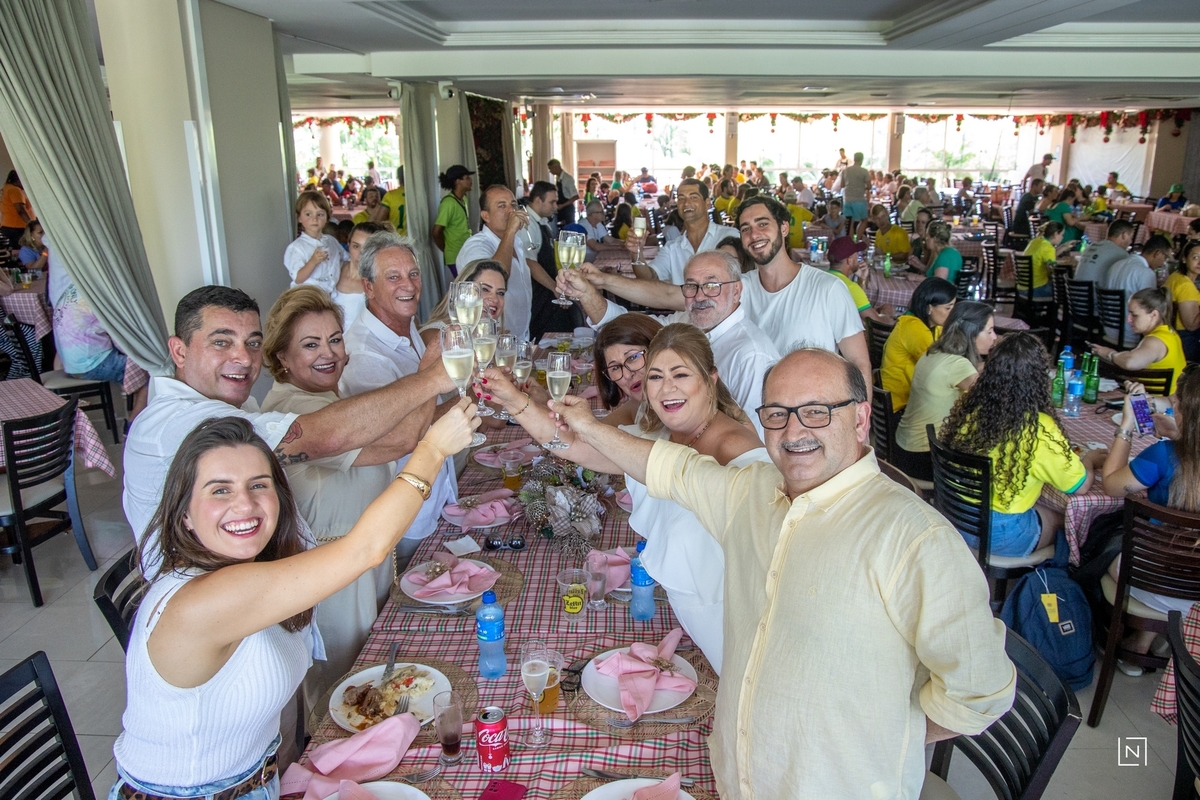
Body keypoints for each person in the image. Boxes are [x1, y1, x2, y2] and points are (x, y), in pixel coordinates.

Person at [546, 345, 1014, 797]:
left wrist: (887, 736)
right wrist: (586, 425)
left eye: (817, 411)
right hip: (738, 778)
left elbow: (980, 691)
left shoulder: (916, 539)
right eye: (777, 414)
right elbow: (666, 466)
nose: (794, 431)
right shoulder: (751, 492)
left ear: (860, 419)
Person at [109, 403, 477, 800]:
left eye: (258, 485)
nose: (245, 504)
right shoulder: (208, 598)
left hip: (258, 779)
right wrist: (433, 450)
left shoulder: (250, 569)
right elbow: (365, 549)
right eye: (220, 490)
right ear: (184, 514)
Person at [487, 323, 768, 674]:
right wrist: (514, 401)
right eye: (656, 377)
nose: (667, 388)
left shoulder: (737, 448)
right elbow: (571, 445)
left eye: (680, 374)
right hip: (691, 608)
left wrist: (589, 426)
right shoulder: (661, 433)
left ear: (710, 378)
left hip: (733, 616)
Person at [123, 285, 456, 553]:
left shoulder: (242, 406)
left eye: (252, 343)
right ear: (179, 351)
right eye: (221, 342)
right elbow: (331, 436)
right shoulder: (178, 421)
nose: (243, 357)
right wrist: (432, 376)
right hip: (212, 603)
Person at [260, 286, 432, 705]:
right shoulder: (293, 410)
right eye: (311, 344)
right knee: (343, 694)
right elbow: (401, 439)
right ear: (282, 356)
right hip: (332, 581)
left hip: (364, 565)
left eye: (335, 339)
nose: (329, 353)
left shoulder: (329, 398)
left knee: (376, 686)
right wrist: (434, 369)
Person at [339, 231, 460, 569]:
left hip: (435, 498)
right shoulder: (363, 354)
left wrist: (475, 397)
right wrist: (431, 371)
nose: (408, 285)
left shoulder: (406, 327)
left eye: (413, 273)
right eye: (393, 277)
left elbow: (428, 412)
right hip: (404, 516)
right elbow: (403, 435)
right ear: (368, 287)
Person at [562, 250, 779, 434]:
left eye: (712, 285)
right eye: (691, 286)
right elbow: (628, 331)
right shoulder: (687, 321)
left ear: (736, 290)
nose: (700, 296)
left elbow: (757, 444)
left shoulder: (752, 355)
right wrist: (586, 294)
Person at [942, 332, 1105, 557]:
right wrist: (1090, 460)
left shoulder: (971, 410)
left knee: (1042, 507)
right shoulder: (1038, 429)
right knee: (1071, 522)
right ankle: (1057, 577)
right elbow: (1080, 486)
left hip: (956, 517)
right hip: (1000, 534)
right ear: (1039, 379)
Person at [1100, 368, 1200, 665]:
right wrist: (1180, 433)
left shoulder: (1164, 455)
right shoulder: (1172, 451)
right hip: (1196, 593)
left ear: (1183, 411)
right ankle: (1144, 641)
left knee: (1099, 544)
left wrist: (1128, 424)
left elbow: (1111, 484)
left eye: (1175, 404)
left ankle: (1108, 633)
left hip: (1152, 578)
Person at [44, 232, 149, 421]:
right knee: (152, 369)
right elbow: (122, 337)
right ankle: (134, 422)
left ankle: (130, 403)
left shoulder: (72, 291)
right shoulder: (97, 298)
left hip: (70, 362)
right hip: (89, 365)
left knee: (135, 363)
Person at [893, 302, 996, 481]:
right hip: (924, 457)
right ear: (971, 333)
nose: (995, 337)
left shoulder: (935, 352)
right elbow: (993, 399)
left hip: (904, 448)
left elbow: (970, 371)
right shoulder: (959, 366)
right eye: (989, 331)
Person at [455, 185, 533, 340]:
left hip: (520, 336)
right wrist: (510, 231)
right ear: (486, 216)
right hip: (491, 339)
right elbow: (499, 275)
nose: (511, 211)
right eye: (502, 206)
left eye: (513, 204)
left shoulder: (516, 242)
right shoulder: (476, 245)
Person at [627, 178, 737, 284]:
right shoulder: (672, 248)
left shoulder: (730, 236)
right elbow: (648, 278)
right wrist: (636, 252)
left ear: (707, 203)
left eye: (694, 197)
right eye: (681, 198)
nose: (686, 203)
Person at [1089, 287, 1186, 396]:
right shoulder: (1170, 333)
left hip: (1157, 403)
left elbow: (1130, 362)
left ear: (1154, 315)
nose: (1128, 319)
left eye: (1134, 315)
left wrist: (1110, 354)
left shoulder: (1156, 340)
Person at [880, 277, 958, 411]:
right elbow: (937, 368)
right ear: (929, 308)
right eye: (948, 308)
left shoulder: (935, 327)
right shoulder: (913, 327)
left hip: (914, 399)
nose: (953, 313)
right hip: (901, 405)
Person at [525, 180, 583, 339]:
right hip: (539, 295)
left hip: (549, 291)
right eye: (552, 202)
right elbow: (530, 262)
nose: (556, 206)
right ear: (538, 200)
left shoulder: (542, 222)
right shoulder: (528, 225)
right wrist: (555, 289)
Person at [1102, 235, 1168, 344]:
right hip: (1130, 333)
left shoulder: (1116, 264)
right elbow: (1151, 307)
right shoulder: (1146, 273)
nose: (1163, 263)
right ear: (1158, 253)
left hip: (1108, 329)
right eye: (1165, 257)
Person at [420, 258, 508, 340]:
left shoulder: (493, 337)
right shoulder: (436, 334)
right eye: (485, 289)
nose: (495, 299)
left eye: (500, 293)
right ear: (462, 291)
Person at [283, 190, 343, 295]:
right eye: (308, 214)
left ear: (327, 217)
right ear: (299, 218)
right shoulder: (297, 247)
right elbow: (298, 278)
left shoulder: (331, 241)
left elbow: (345, 259)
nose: (314, 219)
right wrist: (313, 262)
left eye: (320, 214)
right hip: (307, 297)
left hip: (330, 295)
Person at [825, 235, 894, 325]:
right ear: (850, 261)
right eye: (857, 256)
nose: (859, 258)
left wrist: (862, 279)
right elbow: (876, 323)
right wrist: (886, 315)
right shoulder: (850, 287)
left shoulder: (821, 277)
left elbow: (857, 305)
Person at [331, 221, 383, 326]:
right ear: (348, 244)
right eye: (356, 246)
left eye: (367, 248)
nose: (360, 254)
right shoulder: (333, 268)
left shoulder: (377, 282)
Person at [431, 165, 474, 277]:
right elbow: (436, 232)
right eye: (467, 178)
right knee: (465, 284)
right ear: (458, 181)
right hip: (455, 256)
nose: (470, 181)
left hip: (466, 251)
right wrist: (446, 250)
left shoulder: (463, 199)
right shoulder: (448, 204)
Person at [1164, 241, 1200, 361]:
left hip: (1171, 333)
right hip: (1185, 339)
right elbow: (1191, 325)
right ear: (1184, 259)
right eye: (1195, 258)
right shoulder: (1185, 285)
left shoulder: (1176, 276)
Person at [1075, 219, 1135, 283]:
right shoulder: (1121, 253)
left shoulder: (1091, 246)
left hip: (1075, 288)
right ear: (1124, 235)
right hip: (1097, 289)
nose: (1130, 241)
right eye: (1131, 237)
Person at [1023, 221, 1071, 300]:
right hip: (1036, 289)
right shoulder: (1048, 248)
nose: (1062, 237)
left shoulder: (1035, 241)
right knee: (1067, 291)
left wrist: (1064, 246)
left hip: (1023, 288)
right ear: (1056, 234)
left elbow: (1046, 256)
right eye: (1062, 235)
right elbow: (1051, 273)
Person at [836, 152, 871, 234]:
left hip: (847, 199)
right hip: (859, 200)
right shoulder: (864, 171)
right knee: (864, 220)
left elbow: (842, 185)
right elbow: (869, 186)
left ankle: (850, 239)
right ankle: (857, 238)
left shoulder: (845, 171)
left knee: (850, 222)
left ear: (854, 159)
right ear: (862, 160)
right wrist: (862, 187)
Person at [0, 171, 33, 251]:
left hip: (8, 226)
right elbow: (21, 210)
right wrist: (32, 225)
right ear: (18, 180)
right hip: (17, 228)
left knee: (14, 252)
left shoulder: (5, 189)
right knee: (22, 251)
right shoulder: (15, 190)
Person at [547, 158, 579, 227]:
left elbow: (575, 196)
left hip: (568, 210)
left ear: (555, 168)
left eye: (550, 169)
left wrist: (562, 205)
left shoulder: (567, 179)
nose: (550, 171)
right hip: (561, 209)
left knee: (569, 229)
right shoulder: (558, 178)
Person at [381, 167, 407, 235]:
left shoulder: (390, 195)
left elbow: (379, 220)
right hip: (418, 239)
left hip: (396, 238)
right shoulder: (419, 195)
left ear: (399, 179)